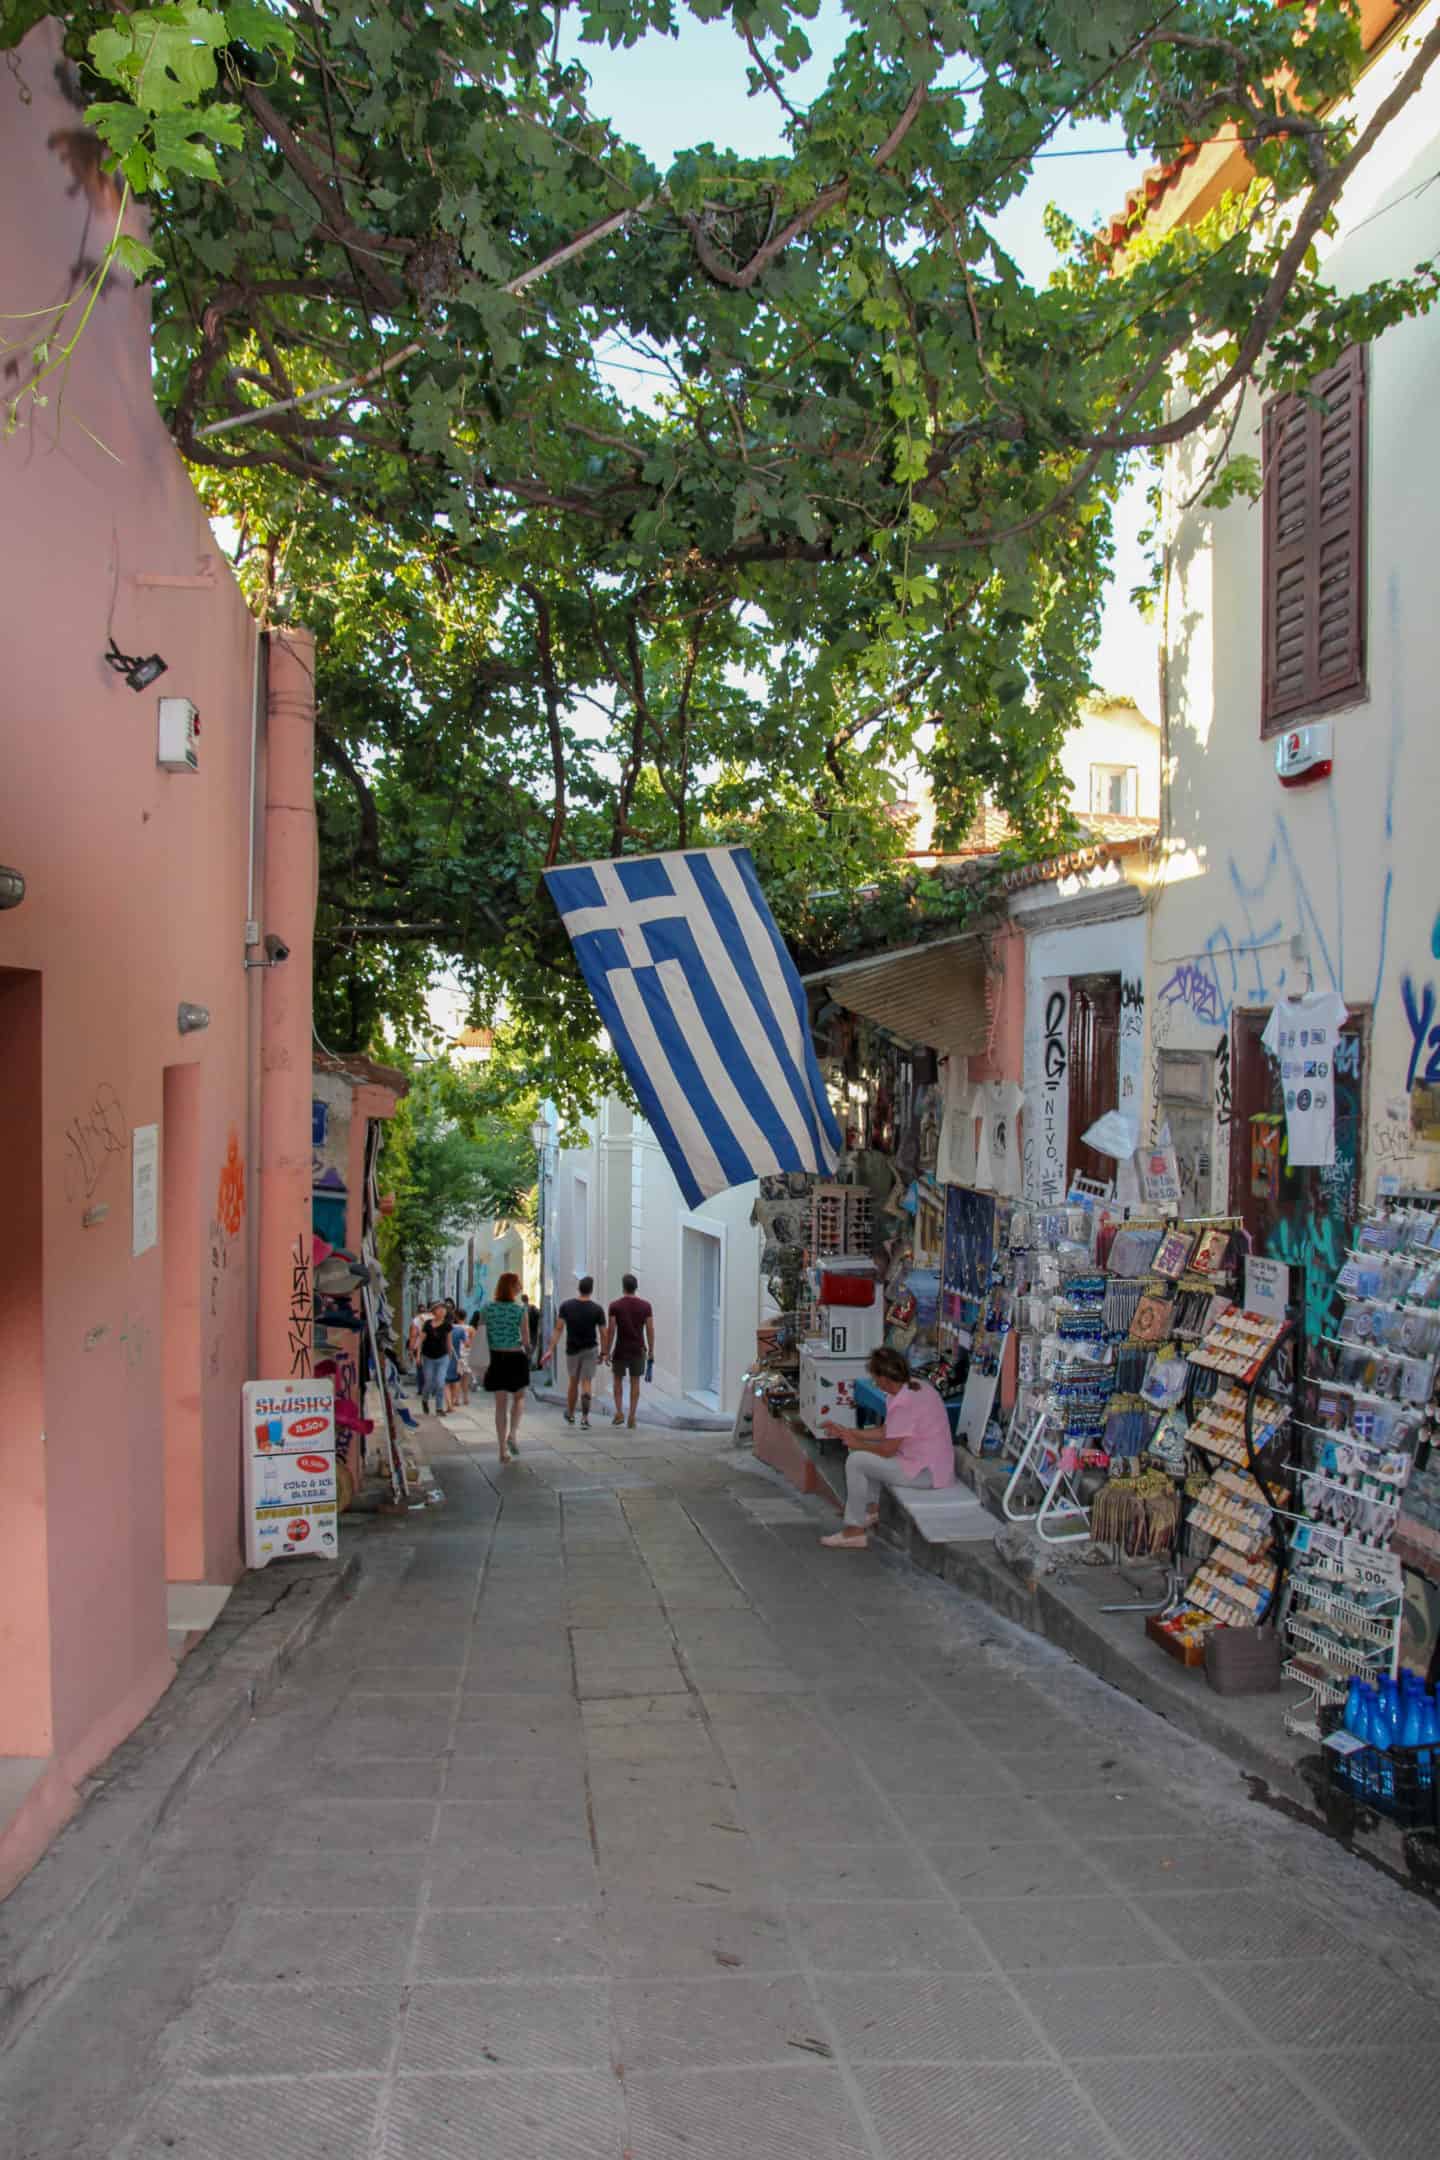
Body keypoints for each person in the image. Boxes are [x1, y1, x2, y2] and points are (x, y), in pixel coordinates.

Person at [818, 1345, 956, 1549]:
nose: (873, 1380)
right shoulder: (914, 1386)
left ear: (884, 1377)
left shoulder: (904, 1402)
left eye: (875, 1375)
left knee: (856, 1460)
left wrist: (857, 1443)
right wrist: (847, 1431)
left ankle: (853, 1531)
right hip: (925, 1462)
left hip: (926, 1473)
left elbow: (887, 1450)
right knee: (861, 1451)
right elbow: (886, 1432)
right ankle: (872, 1509)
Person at [475, 1275, 530, 1463]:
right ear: (512, 1288)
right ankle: (513, 1434)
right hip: (516, 1357)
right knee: (520, 1397)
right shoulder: (520, 1310)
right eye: (518, 1285)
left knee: (500, 1405)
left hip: (496, 1358)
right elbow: (526, 1339)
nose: (520, 1287)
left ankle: (501, 1451)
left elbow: (480, 1334)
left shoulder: (487, 1308)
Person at [546, 1274, 607, 1429]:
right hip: (591, 1349)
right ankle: (585, 1418)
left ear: (579, 1288)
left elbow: (558, 1329)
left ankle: (571, 1414)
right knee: (586, 1382)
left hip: (572, 1350)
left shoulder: (566, 1306)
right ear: (591, 1290)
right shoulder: (597, 1309)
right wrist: (604, 1352)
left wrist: (550, 1349)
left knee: (573, 1382)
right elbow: (603, 1332)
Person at [603, 1272, 654, 1430]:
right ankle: (632, 1416)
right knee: (635, 1381)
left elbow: (611, 1330)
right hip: (638, 1348)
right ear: (636, 1287)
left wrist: (607, 1350)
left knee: (617, 1380)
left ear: (623, 1287)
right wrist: (651, 1350)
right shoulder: (646, 1306)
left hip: (621, 1348)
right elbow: (650, 1330)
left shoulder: (615, 1306)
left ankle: (619, 1412)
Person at [417, 1300, 453, 1416]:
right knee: (428, 1382)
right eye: (439, 1308)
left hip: (443, 1357)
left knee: (440, 1382)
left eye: (444, 1308)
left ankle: (439, 1408)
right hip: (428, 1358)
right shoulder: (427, 1324)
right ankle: (425, 1399)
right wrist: (418, 1356)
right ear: (433, 1311)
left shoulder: (447, 1325)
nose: (442, 1310)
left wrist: (450, 1357)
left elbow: (449, 1342)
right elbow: (420, 1340)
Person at [448, 1311, 471, 1409]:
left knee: (457, 1377)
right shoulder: (471, 1329)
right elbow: (470, 1343)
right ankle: (465, 1397)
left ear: (456, 1317)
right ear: (465, 1317)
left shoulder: (453, 1328)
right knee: (465, 1377)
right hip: (466, 1354)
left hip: (456, 1353)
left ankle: (456, 1399)